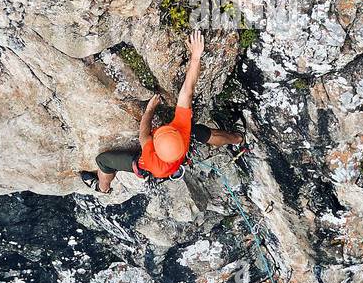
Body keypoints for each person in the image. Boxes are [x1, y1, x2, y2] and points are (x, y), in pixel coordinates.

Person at [81, 30, 243, 193]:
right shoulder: (182, 130)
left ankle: (102, 187)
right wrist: (196, 56)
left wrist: (150, 108)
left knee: (102, 161)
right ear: (175, 132)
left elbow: (144, 134)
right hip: (180, 152)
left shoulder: (152, 161)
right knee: (205, 133)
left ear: (155, 145)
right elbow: (187, 90)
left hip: (159, 164)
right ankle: (237, 139)